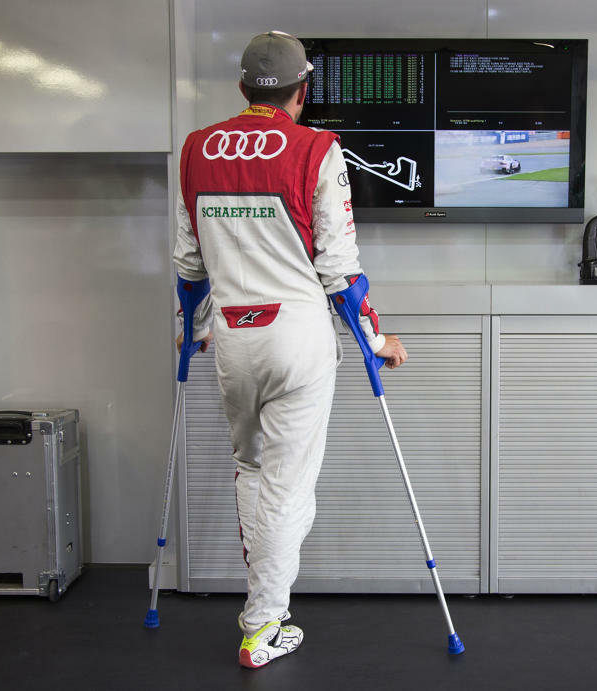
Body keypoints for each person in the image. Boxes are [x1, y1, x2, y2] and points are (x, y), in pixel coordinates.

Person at [172, 30, 408, 669]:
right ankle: (261, 625)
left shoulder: (197, 149)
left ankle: (266, 607)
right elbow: (341, 269)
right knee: (287, 486)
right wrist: (378, 341)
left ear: (244, 87)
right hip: (298, 341)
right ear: (302, 92)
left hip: (232, 339)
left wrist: (190, 334)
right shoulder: (317, 148)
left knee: (254, 472)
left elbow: (190, 267)